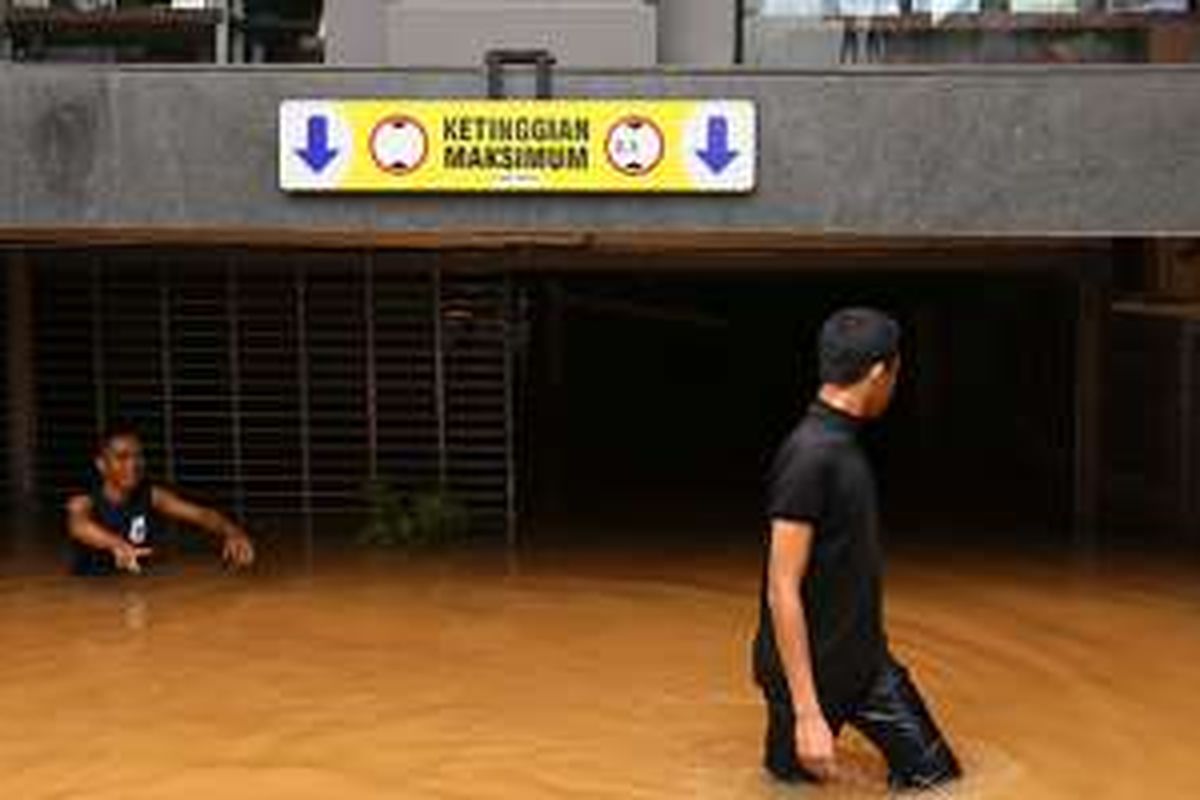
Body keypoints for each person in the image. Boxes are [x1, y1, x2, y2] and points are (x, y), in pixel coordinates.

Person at [752, 308, 961, 790]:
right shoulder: (810, 456)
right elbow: (781, 588)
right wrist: (807, 713)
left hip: (865, 665)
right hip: (807, 679)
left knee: (937, 778)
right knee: (789, 788)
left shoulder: (842, 445)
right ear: (877, 373)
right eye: (896, 371)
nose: (896, 384)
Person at [65, 422, 255, 576]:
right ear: (101, 464)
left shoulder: (151, 495)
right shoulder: (84, 500)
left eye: (138, 456)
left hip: (135, 586)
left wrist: (233, 531)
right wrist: (117, 544)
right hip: (93, 589)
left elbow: (202, 514)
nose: (133, 465)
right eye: (122, 457)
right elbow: (78, 526)